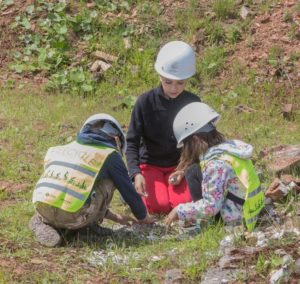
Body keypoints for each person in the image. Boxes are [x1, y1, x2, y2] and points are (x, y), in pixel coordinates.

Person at [29, 113, 153, 247]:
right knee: (109, 180)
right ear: (116, 139)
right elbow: (128, 192)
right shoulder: (109, 155)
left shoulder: (61, 149)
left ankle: (42, 222)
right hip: (75, 215)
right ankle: (84, 226)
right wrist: (144, 218)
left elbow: (68, 189)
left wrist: (115, 217)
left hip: (43, 207)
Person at [126, 40, 201, 214]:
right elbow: (132, 142)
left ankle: (168, 190)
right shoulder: (144, 102)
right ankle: (134, 189)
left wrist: (184, 170)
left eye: (180, 83)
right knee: (158, 207)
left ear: (188, 80)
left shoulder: (193, 102)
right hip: (150, 164)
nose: (174, 88)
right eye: (168, 82)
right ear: (160, 76)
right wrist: (135, 173)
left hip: (179, 165)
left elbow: (199, 142)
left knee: (182, 204)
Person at [165, 102, 264, 231]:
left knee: (192, 171)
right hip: (250, 210)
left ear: (194, 139)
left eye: (186, 143)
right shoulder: (230, 149)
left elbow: (211, 206)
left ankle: (207, 223)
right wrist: (182, 171)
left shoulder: (214, 165)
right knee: (193, 169)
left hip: (236, 219)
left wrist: (180, 211)